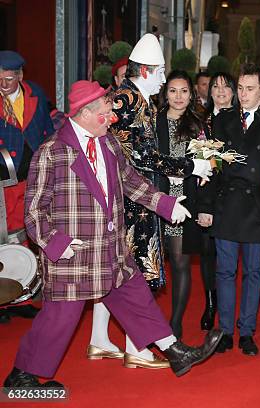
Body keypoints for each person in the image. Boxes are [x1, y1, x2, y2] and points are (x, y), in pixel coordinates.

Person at [2, 80, 223, 390]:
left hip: (110, 248)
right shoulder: (51, 152)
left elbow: (132, 182)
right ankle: (22, 374)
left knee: (136, 298)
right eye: (106, 114)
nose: (112, 119)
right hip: (73, 254)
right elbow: (34, 211)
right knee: (59, 320)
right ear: (84, 114)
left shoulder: (109, 144)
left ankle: (175, 351)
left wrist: (167, 204)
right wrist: (54, 242)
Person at [89, 33, 212, 369]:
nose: (163, 80)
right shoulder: (132, 100)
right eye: (159, 73)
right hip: (131, 200)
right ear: (145, 72)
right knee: (137, 271)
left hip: (126, 194)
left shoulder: (129, 98)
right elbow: (141, 156)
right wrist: (189, 165)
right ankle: (136, 347)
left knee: (116, 271)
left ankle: (99, 338)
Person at [210, 63, 260, 356]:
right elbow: (212, 167)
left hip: (258, 207)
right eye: (240, 88)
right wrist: (208, 206)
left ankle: (247, 332)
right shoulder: (222, 120)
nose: (243, 95)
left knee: (253, 272)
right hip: (228, 204)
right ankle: (225, 331)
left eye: (250, 89)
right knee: (225, 271)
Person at [156, 70, 217, 339]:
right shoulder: (152, 123)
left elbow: (208, 170)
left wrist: (205, 206)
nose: (178, 97)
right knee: (153, 263)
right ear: (165, 93)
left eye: (183, 91)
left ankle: (175, 323)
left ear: (191, 94)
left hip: (186, 203)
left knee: (180, 263)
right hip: (156, 201)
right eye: (173, 91)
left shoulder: (198, 125)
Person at [0, 50, 54, 320]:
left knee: (24, 233)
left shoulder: (36, 93)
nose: (3, 84)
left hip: (31, 177)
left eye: (8, 79)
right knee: (2, 235)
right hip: (2, 181)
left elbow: (47, 127)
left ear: (20, 76)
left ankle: (20, 297)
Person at [198, 72, 238, 330]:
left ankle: (230, 307)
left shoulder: (241, 121)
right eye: (216, 86)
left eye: (226, 86)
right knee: (207, 253)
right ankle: (211, 303)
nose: (221, 91)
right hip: (203, 190)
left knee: (232, 258)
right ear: (209, 92)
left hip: (233, 198)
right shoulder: (200, 122)